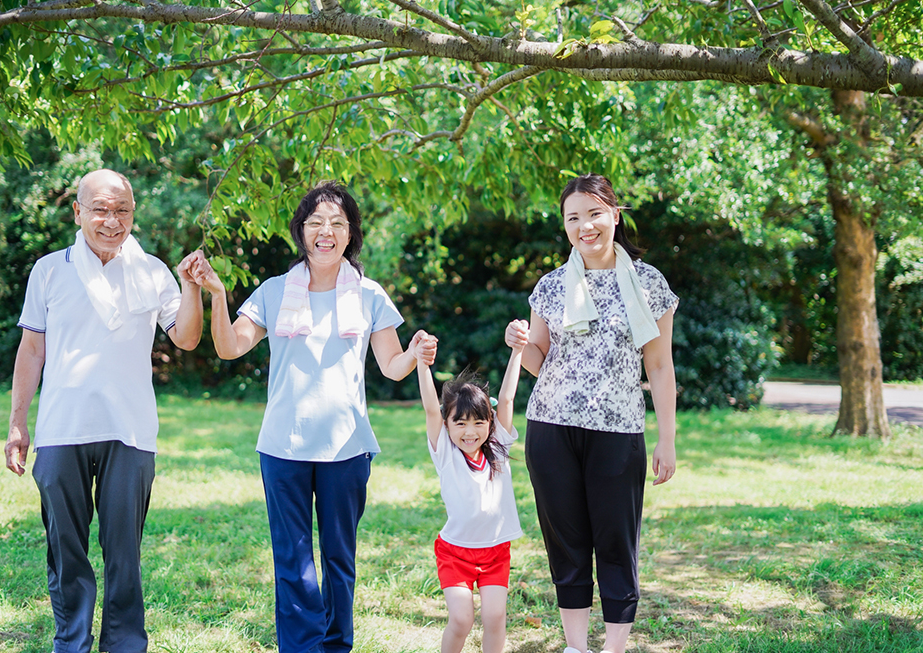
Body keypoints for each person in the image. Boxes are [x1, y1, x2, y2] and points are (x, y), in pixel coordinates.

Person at [191, 180, 436, 653]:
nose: (326, 231)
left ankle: (336, 645)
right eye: (316, 223)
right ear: (301, 232)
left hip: (347, 447)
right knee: (292, 560)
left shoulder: (369, 294)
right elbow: (228, 347)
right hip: (283, 446)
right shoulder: (274, 291)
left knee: (339, 558)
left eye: (338, 223)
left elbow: (392, 366)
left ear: (351, 234)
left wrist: (416, 351)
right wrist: (218, 294)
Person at [3, 169, 206, 653]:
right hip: (60, 430)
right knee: (66, 551)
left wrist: (191, 286)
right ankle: (71, 642)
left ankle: (125, 645)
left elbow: (187, 336)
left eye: (122, 210)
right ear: (78, 212)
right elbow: (32, 351)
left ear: (133, 214)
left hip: (131, 431)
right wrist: (17, 424)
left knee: (124, 555)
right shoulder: (50, 269)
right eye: (101, 209)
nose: (112, 220)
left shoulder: (152, 271)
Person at [505, 173, 678, 653]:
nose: (585, 226)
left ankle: (614, 647)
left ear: (615, 216)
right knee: (567, 544)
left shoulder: (648, 283)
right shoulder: (551, 285)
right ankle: (576, 646)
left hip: (618, 431)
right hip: (552, 428)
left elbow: (660, 366)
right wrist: (520, 345)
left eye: (594, 214)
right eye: (573, 217)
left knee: (617, 543)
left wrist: (667, 438)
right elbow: (539, 359)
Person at [415, 322, 527, 653]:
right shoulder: (445, 453)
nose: (469, 431)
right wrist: (423, 365)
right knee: (462, 619)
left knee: (495, 617)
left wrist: (517, 351)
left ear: (489, 423)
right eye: (460, 423)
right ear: (448, 424)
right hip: (455, 553)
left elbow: (506, 398)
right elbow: (430, 408)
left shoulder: (499, 447)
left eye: (478, 422)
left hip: (495, 551)